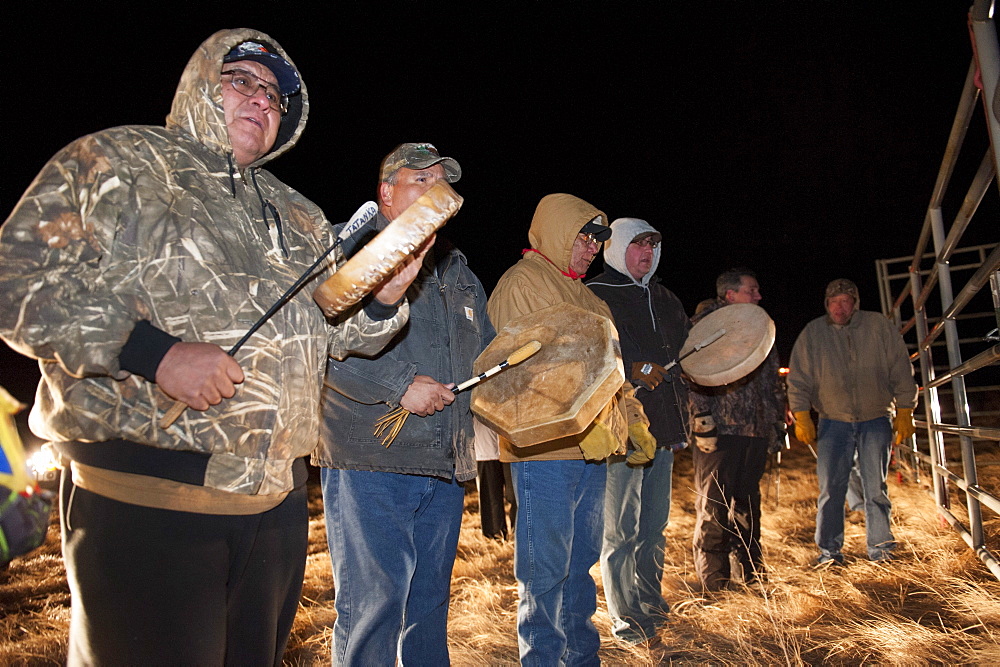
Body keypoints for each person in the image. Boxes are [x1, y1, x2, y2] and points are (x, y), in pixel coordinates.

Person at [0, 29, 419, 665]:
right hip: (148, 499)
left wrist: (385, 295)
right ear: (201, 84)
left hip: (273, 508)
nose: (262, 100)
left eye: (277, 96)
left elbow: (334, 331)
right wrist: (153, 353)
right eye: (242, 80)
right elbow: (15, 279)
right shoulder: (118, 160)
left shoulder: (299, 214)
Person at [314, 143, 494, 665]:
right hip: (372, 459)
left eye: (441, 181)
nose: (434, 189)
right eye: (420, 179)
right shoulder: (350, 255)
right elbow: (319, 344)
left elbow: (483, 355)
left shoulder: (459, 273)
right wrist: (400, 384)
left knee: (429, 608)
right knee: (374, 607)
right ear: (386, 192)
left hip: (443, 464)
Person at [488, 193, 657, 665]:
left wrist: (631, 420)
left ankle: (582, 658)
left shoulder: (585, 294)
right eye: (584, 238)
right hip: (544, 452)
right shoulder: (523, 283)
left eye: (597, 240)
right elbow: (531, 372)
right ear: (560, 233)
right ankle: (542, 659)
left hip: (592, 448)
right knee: (544, 573)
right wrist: (582, 420)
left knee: (580, 565)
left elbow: (610, 369)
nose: (590, 249)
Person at [586, 218, 690, 644]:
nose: (646, 251)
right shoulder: (596, 294)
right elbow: (587, 353)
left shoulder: (666, 298)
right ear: (617, 249)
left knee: (654, 525)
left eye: (652, 245)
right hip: (620, 430)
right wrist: (629, 369)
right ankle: (625, 616)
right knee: (621, 530)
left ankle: (650, 603)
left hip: (662, 427)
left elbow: (685, 354)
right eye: (637, 244)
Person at [787, 279, 917, 564]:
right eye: (834, 302)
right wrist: (802, 414)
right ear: (826, 304)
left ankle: (881, 549)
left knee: (876, 489)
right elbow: (799, 378)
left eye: (845, 301)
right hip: (833, 422)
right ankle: (829, 552)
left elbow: (900, 366)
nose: (839, 307)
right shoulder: (813, 333)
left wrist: (906, 407)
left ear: (855, 303)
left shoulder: (878, 326)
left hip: (875, 418)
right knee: (831, 490)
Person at [687, 268, 785, 591]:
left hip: (754, 431)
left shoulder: (760, 327)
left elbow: (772, 379)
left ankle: (752, 574)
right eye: (751, 290)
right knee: (714, 507)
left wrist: (775, 423)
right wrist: (702, 420)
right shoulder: (706, 327)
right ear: (730, 295)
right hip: (720, 432)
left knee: (748, 507)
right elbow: (692, 374)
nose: (758, 296)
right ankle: (714, 584)